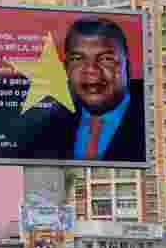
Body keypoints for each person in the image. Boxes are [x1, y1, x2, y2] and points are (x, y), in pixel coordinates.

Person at [19, 16, 147, 162]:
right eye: (78, 59)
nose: (90, 70)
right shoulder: (45, 132)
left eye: (106, 59)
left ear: (127, 67)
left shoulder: (151, 123)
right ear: (66, 69)